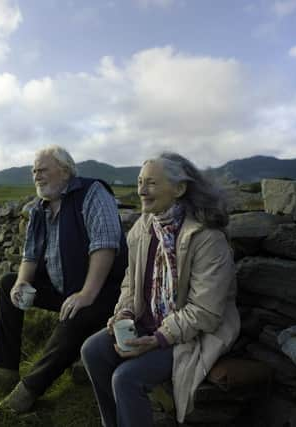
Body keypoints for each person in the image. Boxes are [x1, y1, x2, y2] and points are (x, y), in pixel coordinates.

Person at [80, 152, 239, 427]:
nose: (141, 190)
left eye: (151, 183)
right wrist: (125, 311)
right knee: (92, 351)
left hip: (191, 335)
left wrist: (158, 339)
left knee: (126, 378)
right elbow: (131, 281)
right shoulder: (143, 228)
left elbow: (205, 312)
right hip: (149, 323)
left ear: (179, 188)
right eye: (140, 182)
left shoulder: (207, 239)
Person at [0, 145, 128, 413]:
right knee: (8, 283)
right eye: (33, 172)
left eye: (42, 170)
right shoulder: (39, 209)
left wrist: (86, 294)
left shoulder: (91, 193)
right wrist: (21, 283)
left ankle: (30, 388)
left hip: (105, 292)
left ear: (65, 171)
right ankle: (4, 368)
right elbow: (30, 255)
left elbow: (105, 245)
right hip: (66, 288)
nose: (36, 176)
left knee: (76, 313)